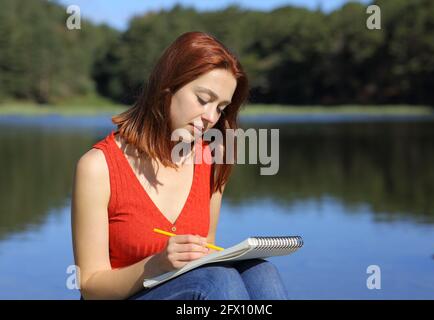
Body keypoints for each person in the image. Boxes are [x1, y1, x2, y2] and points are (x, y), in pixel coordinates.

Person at [71, 31, 288, 300]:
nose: (211, 117)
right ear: (168, 86)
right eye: (203, 99)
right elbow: (90, 287)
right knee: (216, 280)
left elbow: (203, 257)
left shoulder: (211, 159)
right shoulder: (98, 167)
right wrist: (155, 265)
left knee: (260, 272)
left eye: (221, 107)